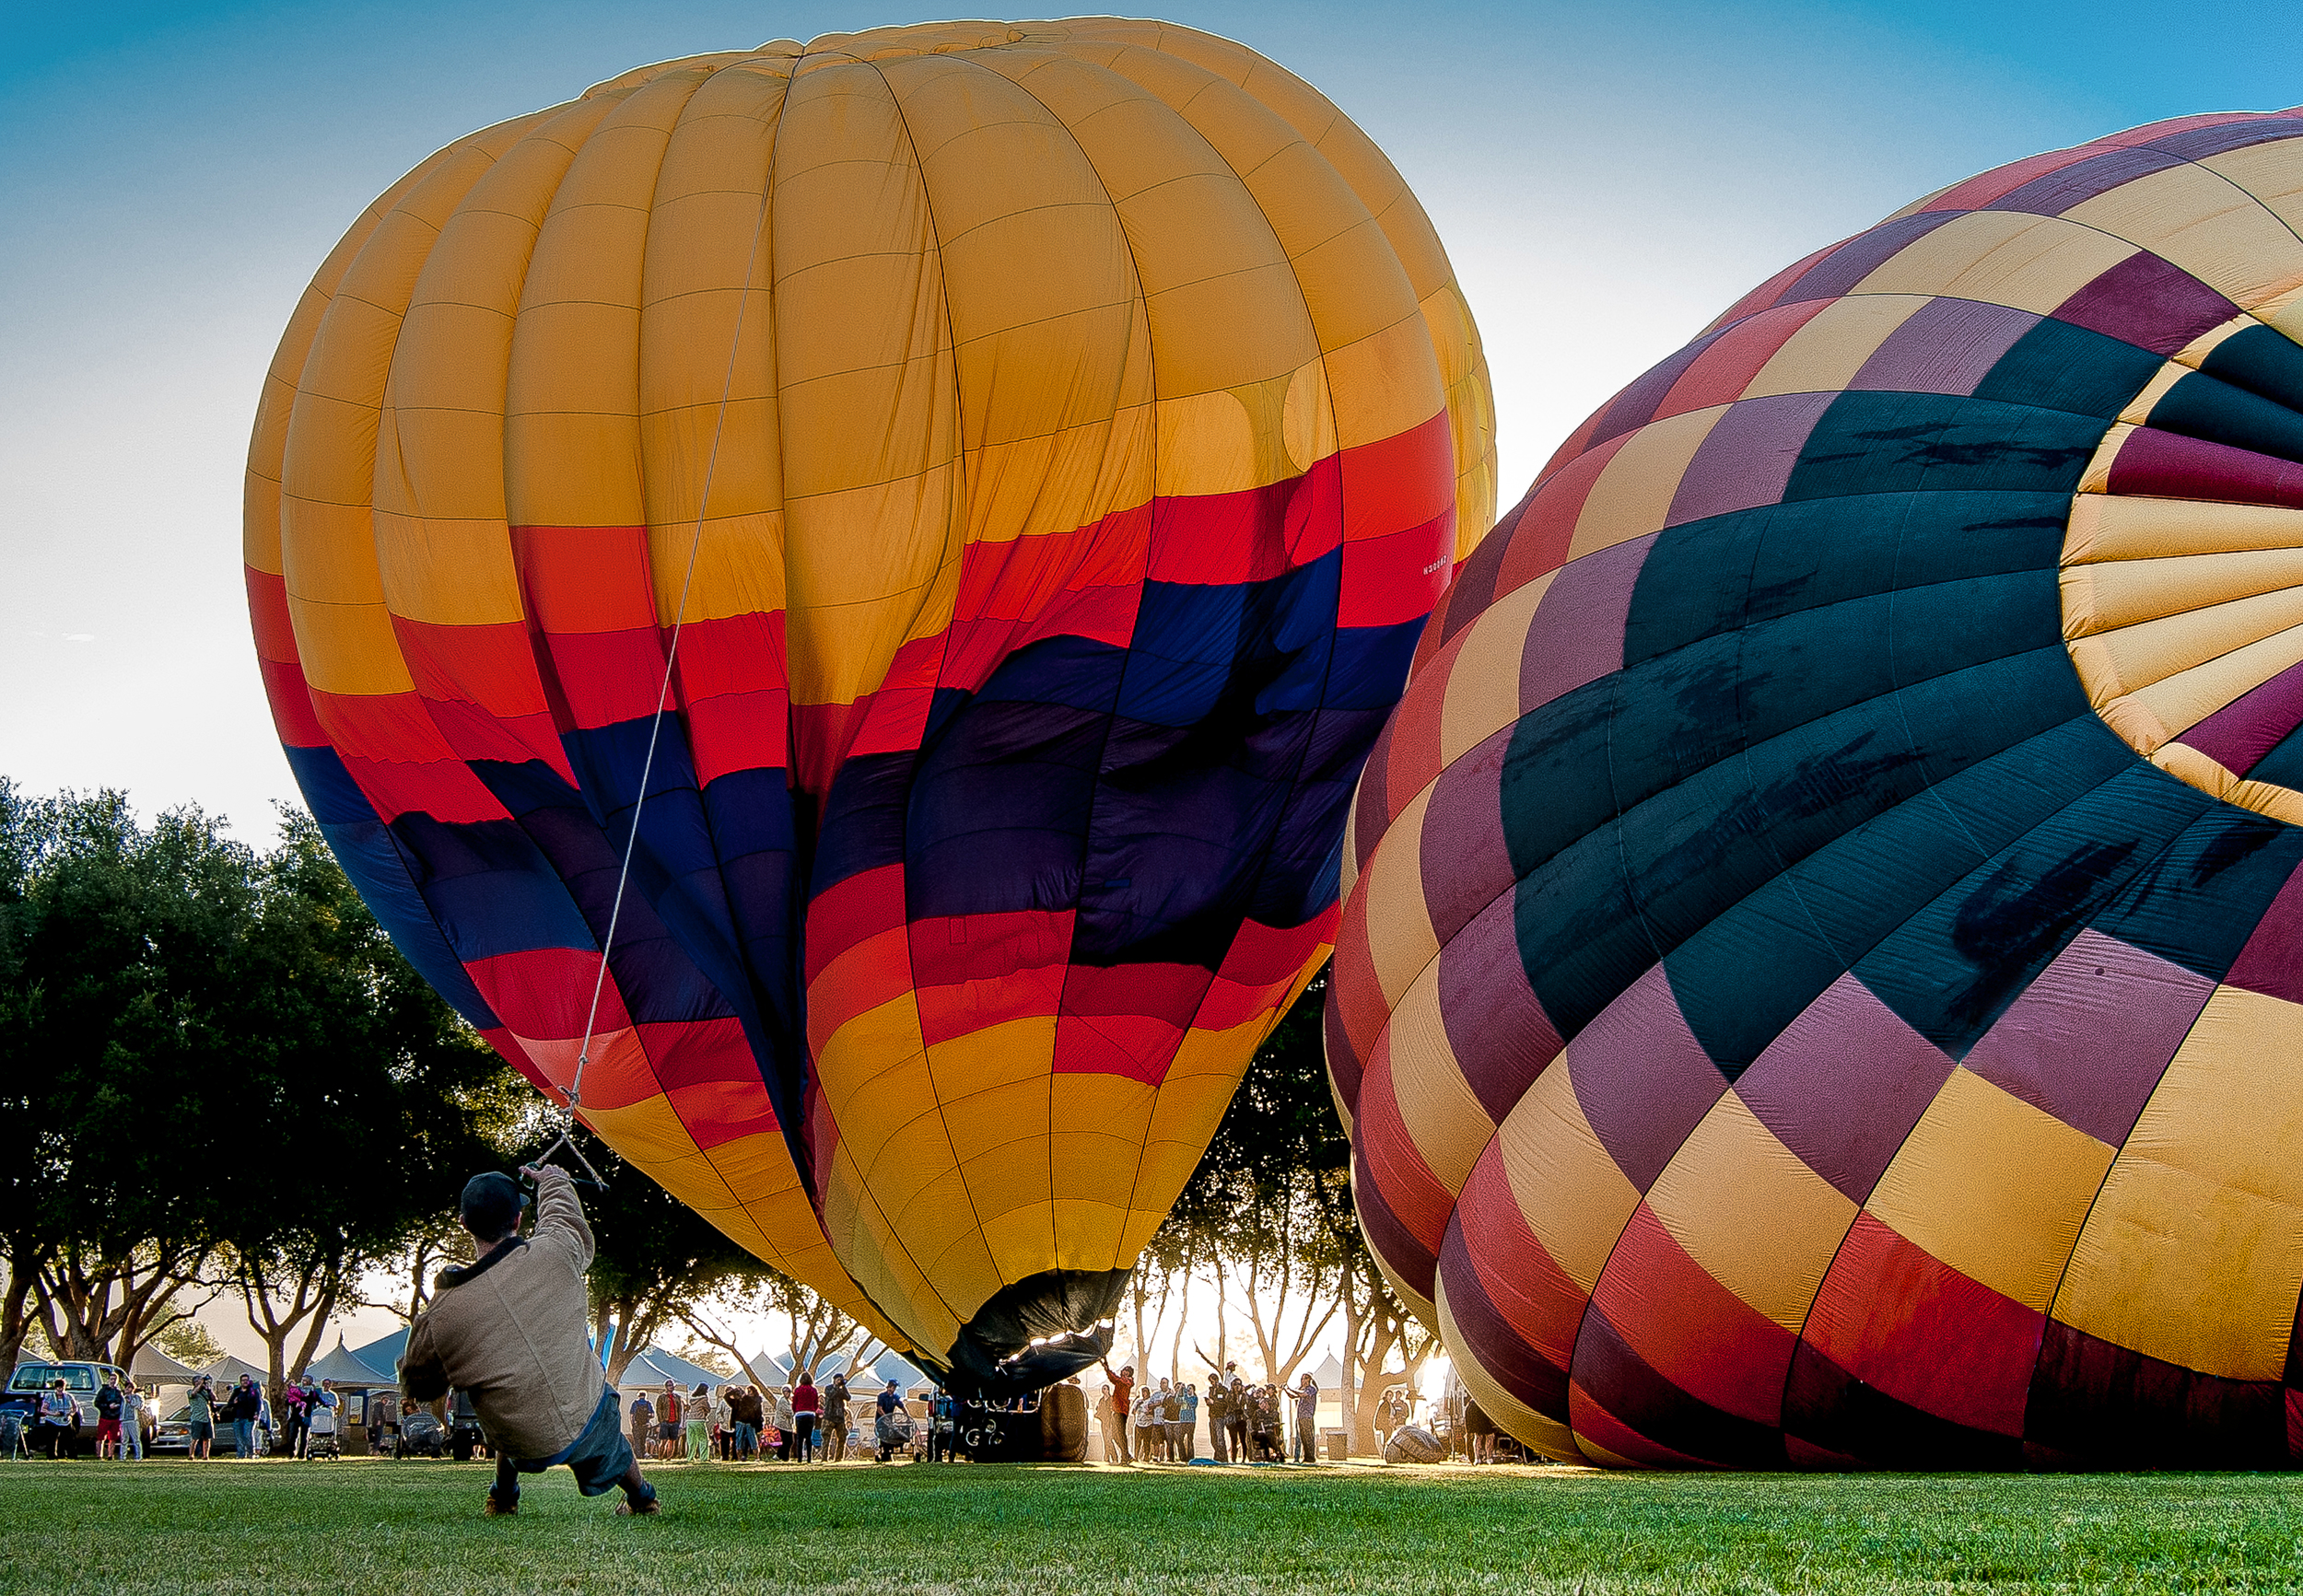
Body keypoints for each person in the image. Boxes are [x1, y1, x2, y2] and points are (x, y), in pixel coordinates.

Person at [400, 1164, 658, 1516]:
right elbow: (564, 1218)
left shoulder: (446, 1311)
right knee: (610, 1426)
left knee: (506, 1397)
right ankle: (644, 1499)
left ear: (463, 1223)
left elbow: (419, 1384)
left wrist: (427, 1323)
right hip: (587, 1422)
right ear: (518, 1220)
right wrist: (553, 1180)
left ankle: (502, 1498)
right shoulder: (555, 1253)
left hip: (516, 1439)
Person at [1100, 1362, 1135, 1463]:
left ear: (1129, 1374)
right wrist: (1107, 1370)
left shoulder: (1127, 1381)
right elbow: (1113, 1379)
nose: (1124, 1372)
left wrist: (1108, 1370)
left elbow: (1115, 1379)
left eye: (1127, 1371)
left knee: (1121, 1434)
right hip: (1116, 1410)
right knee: (1115, 1435)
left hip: (1122, 1410)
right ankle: (1126, 1454)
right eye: (1124, 1370)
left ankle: (1125, 1456)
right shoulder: (1121, 1381)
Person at [37, 1377, 78, 1460]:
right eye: (58, 1388)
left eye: (62, 1388)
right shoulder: (49, 1396)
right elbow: (43, 1409)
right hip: (52, 1420)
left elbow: (75, 1408)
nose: (60, 1390)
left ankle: (71, 1456)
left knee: (70, 1439)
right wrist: (54, 1414)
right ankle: (51, 1456)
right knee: (51, 1440)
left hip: (65, 1421)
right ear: (55, 1388)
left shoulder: (69, 1396)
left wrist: (71, 1414)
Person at [873, 1380, 906, 1462]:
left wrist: (907, 1415)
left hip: (890, 1421)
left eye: (894, 1387)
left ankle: (888, 1453)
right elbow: (879, 1409)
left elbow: (902, 1407)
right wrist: (885, 1417)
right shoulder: (881, 1396)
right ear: (888, 1387)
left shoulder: (895, 1397)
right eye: (892, 1387)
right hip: (881, 1420)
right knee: (884, 1437)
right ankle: (884, 1454)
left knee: (892, 1435)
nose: (893, 1389)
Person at [728, 1383, 762, 1461]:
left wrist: (758, 1424)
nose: (749, 1393)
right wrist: (732, 1391)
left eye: (751, 1391)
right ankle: (740, 1457)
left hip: (750, 1422)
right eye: (748, 1391)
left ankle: (756, 1457)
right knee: (739, 1439)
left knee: (753, 1440)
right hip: (741, 1421)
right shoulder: (742, 1399)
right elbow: (727, 1398)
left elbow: (758, 1413)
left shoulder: (756, 1400)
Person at [185, 1378, 216, 1461]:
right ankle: (191, 1455)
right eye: (198, 1381)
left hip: (207, 1418)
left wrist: (209, 1390)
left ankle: (205, 1455)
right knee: (195, 1438)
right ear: (195, 1383)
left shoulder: (205, 1392)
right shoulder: (190, 1392)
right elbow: (193, 1394)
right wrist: (199, 1385)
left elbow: (214, 1398)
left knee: (207, 1438)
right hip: (197, 1418)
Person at [791, 1372, 819, 1463]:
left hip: (800, 1414)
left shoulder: (797, 1390)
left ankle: (799, 1458)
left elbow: (794, 1402)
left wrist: (796, 1411)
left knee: (799, 1437)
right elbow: (816, 1403)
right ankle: (809, 1458)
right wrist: (813, 1410)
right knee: (808, 1437)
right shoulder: (814, 1390)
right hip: (810, 1414)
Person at [95, 1372, 123, 1460]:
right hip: (105, 1417)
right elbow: (97, 1403)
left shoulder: (119, 1393)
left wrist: (117, 1407)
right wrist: (108, 1406)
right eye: (111, 1379)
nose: (113, 1381)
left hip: (115, 1418)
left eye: (115, 1380)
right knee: (101, 1437)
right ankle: (99, 1455)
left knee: (113, 1438)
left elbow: (122, 1403)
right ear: (108, 1380)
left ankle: (110, 1455)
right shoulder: (103, 1391)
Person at [822, 1374, 848, 1463]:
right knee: (826, 1437)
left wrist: (843, 1387)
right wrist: (836, 1387)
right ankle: (824, 1457)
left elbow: (848, 1397)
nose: (840, 1381)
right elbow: (830, 1396)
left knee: (842, 1437)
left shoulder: (842, 1389)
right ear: (834, 1380)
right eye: (838, 1379)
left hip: (840, 1417)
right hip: (829, 1416)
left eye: (841, 1379)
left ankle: (838, 1458)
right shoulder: (828, 1388)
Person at [1293, 1373, 1319, 1463]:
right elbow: (1293, 1396)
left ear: (1308, 1380)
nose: (1302, 1381)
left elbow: (1303, 1395)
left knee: (1308, 1437)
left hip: (1307, 1416)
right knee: (1303, 1438)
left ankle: (1311, 1457)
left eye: (1304, 1379)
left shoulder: (1311, 1389)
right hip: (1300, 1417)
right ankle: (1306, 1457)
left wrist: (1294, 1390)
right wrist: (1287, 1389)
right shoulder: (1302, 1390)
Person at [119, 1378, 146, 1461]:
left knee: (136, 1440)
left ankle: (138, 1456)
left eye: (129, 1387)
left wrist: (131, 1402)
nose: (127, 1389)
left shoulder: (137, 1397)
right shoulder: (122, 1398)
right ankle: (122, 1457)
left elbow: (140, 1407)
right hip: (124, 1420)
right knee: (124, 1440)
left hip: (133, 1420)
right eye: (126, 1387)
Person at [1093, 1383, 1119, 1463]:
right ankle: (1107, 1457)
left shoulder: (1111, 1399)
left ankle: (1114, 1457)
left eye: (1105, 1388)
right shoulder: (1101, 1400)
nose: (1103, 1390)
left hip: (1110, 1422)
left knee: (1109, 1440)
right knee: (1105, 1440)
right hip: (1103, 1422)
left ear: (1108, 1390)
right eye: (1102, 1389)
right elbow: (1099, 1409)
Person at [656, 1380, 682, 1462]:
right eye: (669, 1385)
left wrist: (678, 1420)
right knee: (663, 1441)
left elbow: (679, 1409)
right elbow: (658, 1409)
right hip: (665, 1421)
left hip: (675, 1421)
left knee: (672, 1441)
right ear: (666, 1387)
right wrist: (661, 1420)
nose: (671, 1387)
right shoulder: (662, 1397)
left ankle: (669, 1457)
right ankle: (660, 1457)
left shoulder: (677, 1397)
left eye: (672, 1385)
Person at [627, 1390, 654, 1458]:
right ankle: (643, 1454)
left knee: (637, 1441)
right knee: (643, 1440)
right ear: (645, 1396)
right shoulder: (648, 1403)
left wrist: (632, 1424)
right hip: (645, 1425)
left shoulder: (635, 1403)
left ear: (638, 1396)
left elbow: (632, 1415)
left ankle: (638, 1455)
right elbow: (652, 1415)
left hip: (637, 1424)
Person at [1179, 1382, 1199, 1462]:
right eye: (1188, 1388)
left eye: (1190, 1388)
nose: (1188, 1390)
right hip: (1183, 1420)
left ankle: (1190, 1457)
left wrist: (1184, 1393)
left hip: (1191, 1421)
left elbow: (1191, 1404)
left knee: (1190, 1439)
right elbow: (1177, 1401)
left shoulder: (1194, 1398)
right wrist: (1180, 1390)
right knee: (1180, 1439)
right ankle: (1183, 1456)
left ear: (1194, 1390)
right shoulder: (1184, 1397)